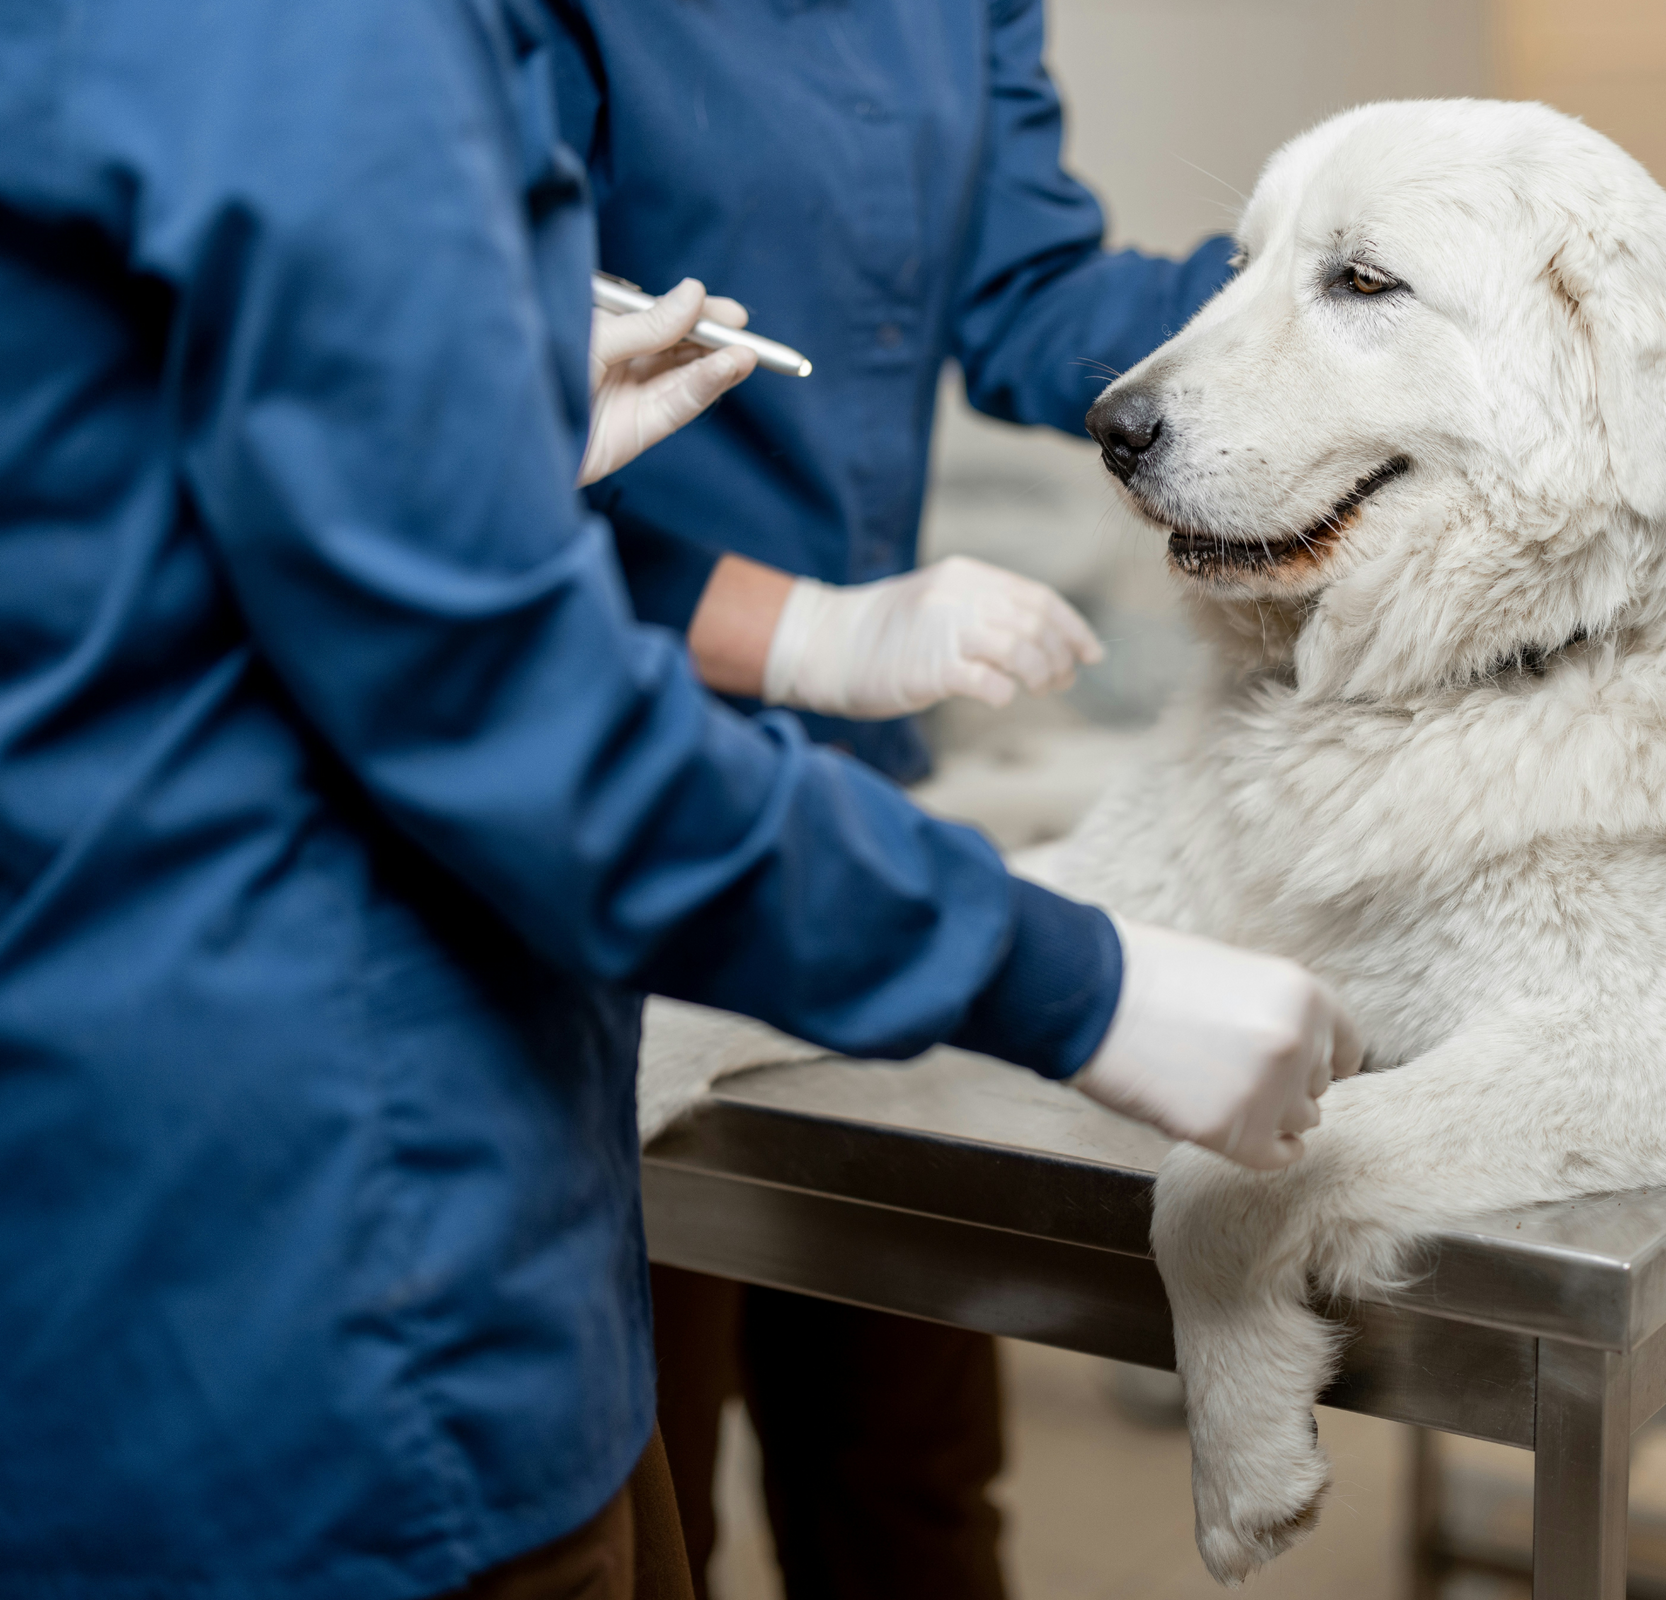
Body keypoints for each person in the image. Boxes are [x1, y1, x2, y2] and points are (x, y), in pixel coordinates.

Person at [0, 5, 1357, 1599]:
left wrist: (1343, 295)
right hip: (342, 1198)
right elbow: (488, 688)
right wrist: (1078, 980)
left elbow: (247, 480)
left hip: (419, 1087)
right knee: (663, 1494)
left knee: (893, 1482)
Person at [543, 5, 1239, 1593]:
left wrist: (1310, 289)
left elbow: (1026, 294)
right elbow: (447, 461)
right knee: (655, 1496)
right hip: (607, 801)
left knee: (911, 1482)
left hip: (858, 799)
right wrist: (804, 628)